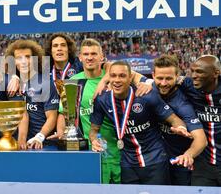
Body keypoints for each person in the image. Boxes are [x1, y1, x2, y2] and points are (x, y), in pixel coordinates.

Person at [65, 39, 153, 184]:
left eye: (94, 54)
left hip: (121, 151)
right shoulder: (73, 81)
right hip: (93, 151)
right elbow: (67, 116)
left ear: (102, 57)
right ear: (80, 57)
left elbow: (136, 76)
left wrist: (147, 83)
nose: (89, 57)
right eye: (86, 54)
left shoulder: (115, 78)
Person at [90, 61, 192, 185]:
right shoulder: (102, 100)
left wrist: (180, 127)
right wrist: (94, 140)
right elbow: (94, 130)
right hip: (127, 163)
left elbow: (175, 119)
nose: (117, 80)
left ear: (130, 78)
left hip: (155, 160)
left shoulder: (146, 95)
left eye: (122, 76)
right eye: (113, 76)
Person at [152, 55, 207, 185]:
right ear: (153, 75)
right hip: (156, 162)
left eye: (169, 78)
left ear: (178, 77)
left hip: (179, 162)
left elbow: (201, 139)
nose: (163, 83)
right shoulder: (148, 89)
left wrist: (188, 155)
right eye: (160, 78)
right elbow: (129, 73)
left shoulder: (183, 105)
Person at [5, 39, 59, 150]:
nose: (24, 61)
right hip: (20, 144)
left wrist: (39, 137)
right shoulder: (12, 84)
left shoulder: (45, 83)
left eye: (28, 57)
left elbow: (52, 117)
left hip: (43, 145)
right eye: (19, 58)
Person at [177, 55, 221, 186]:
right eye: (193, 71)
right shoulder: (189, 85)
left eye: (200, 71)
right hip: (203, 165)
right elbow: (164, 81)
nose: (194, 75)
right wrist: (146, 82)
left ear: (216, 73)